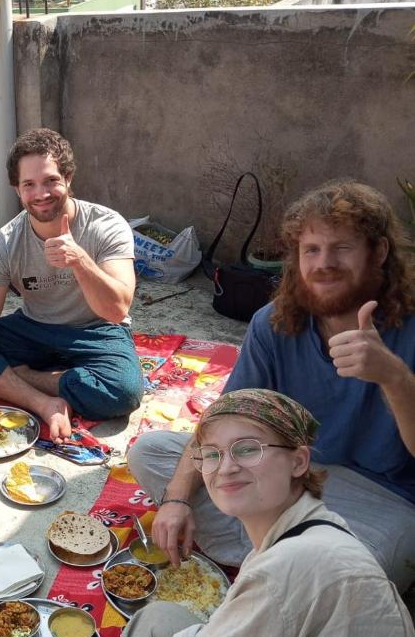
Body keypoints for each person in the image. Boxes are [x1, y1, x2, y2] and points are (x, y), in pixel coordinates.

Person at [16, 389, 415, 637]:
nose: (225, 467)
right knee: (156, 622)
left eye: (248, 449)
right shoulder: (303, 533)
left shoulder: (290, 566)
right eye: (211, 454)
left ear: (298, 462)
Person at [129, 179, 415, 590]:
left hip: (380, 498)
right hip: (289, 474)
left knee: (357, 578)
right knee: (151, 453)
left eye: (342, 248)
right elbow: (225, 418)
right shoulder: (275, 322)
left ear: (379, 252)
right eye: (311, 250)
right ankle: (288, 565)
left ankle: (286, 566)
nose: (323, 263)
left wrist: (393, 375)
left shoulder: (409, 327)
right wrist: (176, 501)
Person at [0, 128, 142, 442]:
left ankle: (16, 376)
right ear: (17, 190)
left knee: (123, 393)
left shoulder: (106, 225)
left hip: (97, 330)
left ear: (68, 178)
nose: (41, 194)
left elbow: (116, 310)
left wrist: (79, 260)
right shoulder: (4, 244)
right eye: (29, 185)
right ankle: (45, 401)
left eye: (50, 181)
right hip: (36, 328)